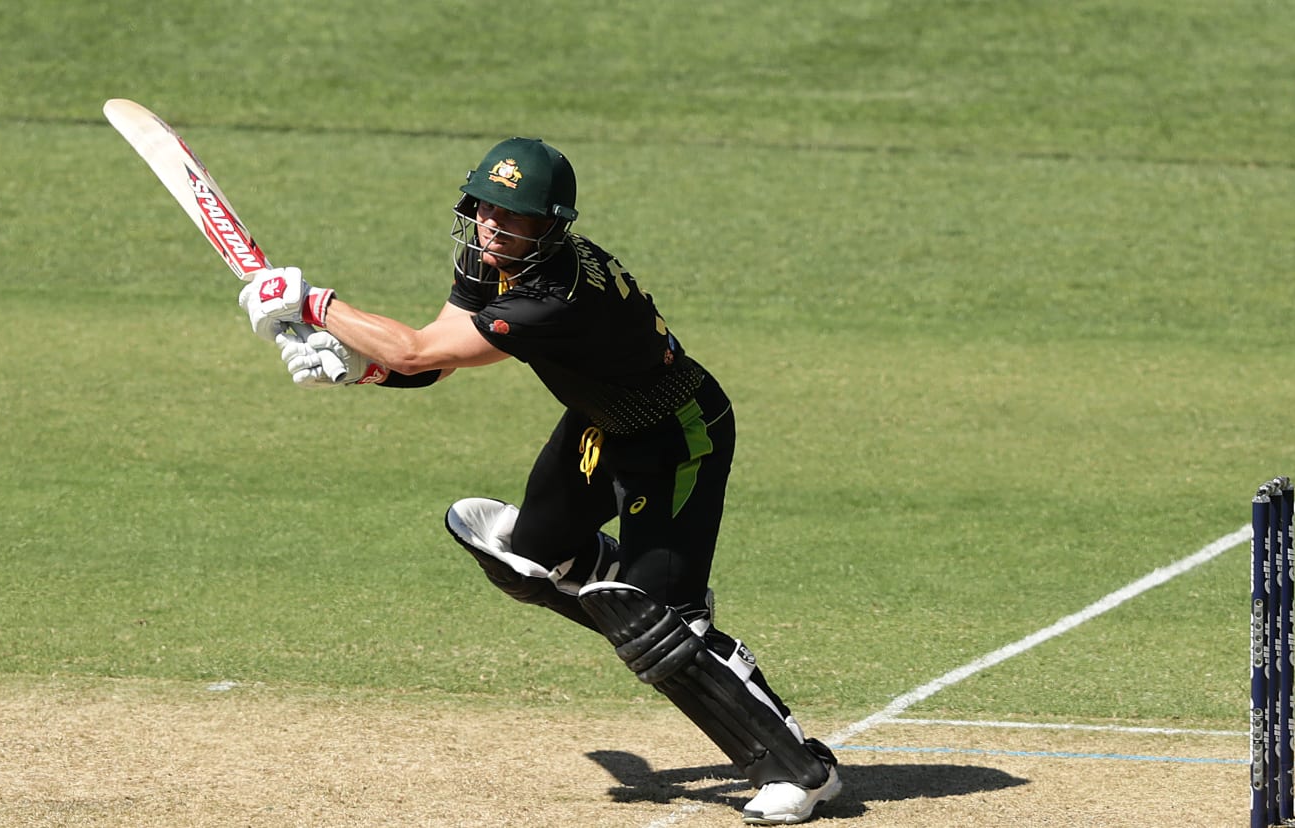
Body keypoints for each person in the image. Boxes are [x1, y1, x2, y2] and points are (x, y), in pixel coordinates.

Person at [237, 137, 842, 825]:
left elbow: (416, 349)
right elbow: (432, 357)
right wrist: (359, 368)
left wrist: (317, 306)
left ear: (551, 225)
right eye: (485, 208)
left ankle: (801, 769)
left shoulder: (557, 295)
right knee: (525, 559)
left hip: (678, 439)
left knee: (665, 627)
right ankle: (642, 595)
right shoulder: (492, 257)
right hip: (599, 426)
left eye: (514, 217)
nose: (493, 226)